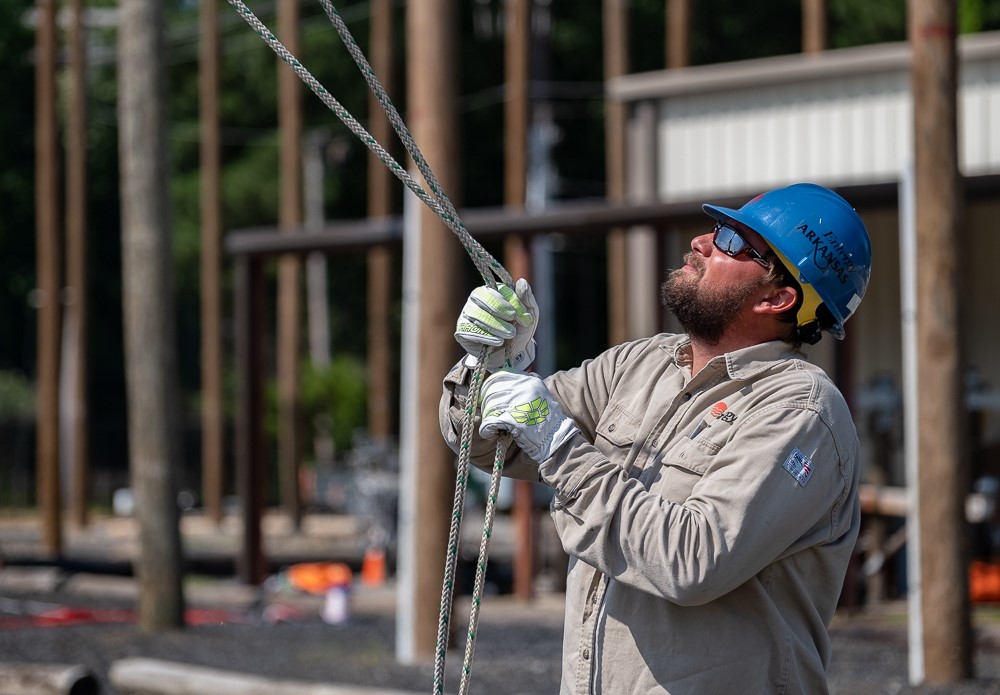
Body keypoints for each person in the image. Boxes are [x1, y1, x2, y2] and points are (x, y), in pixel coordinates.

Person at [440, 182, 872, 694]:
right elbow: (485, 441)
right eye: (718, 229)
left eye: (734, 242)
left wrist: (560, 448)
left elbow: (692, 561)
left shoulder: (799, 412)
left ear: (778, 298)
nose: (701, 243)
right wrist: (485, 367)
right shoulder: (642, 363)